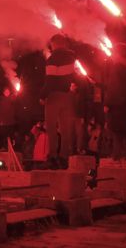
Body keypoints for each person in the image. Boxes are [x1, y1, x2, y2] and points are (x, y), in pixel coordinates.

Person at [41, 34, 78, 170]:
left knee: (51, 128)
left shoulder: (52, 59)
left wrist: (42, 95)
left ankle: (52, 157)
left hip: (53, 97)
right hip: (67, 96)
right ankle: (64, 157)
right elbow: (74, 77)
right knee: (65, 129)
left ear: (54, 44)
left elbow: (50, 80)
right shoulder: (71, 58)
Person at [0, 87, 17, 151]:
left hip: (10, 121)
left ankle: (11, 147)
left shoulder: (12, 98)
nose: (7, 93)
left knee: (10, 135)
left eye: (8, 91)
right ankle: (4, 147)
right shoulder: (0, 100)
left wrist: (16, 93)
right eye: (6, 91)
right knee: (3, 136)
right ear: (3, 92)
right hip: (3, 122)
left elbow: (14, 99)